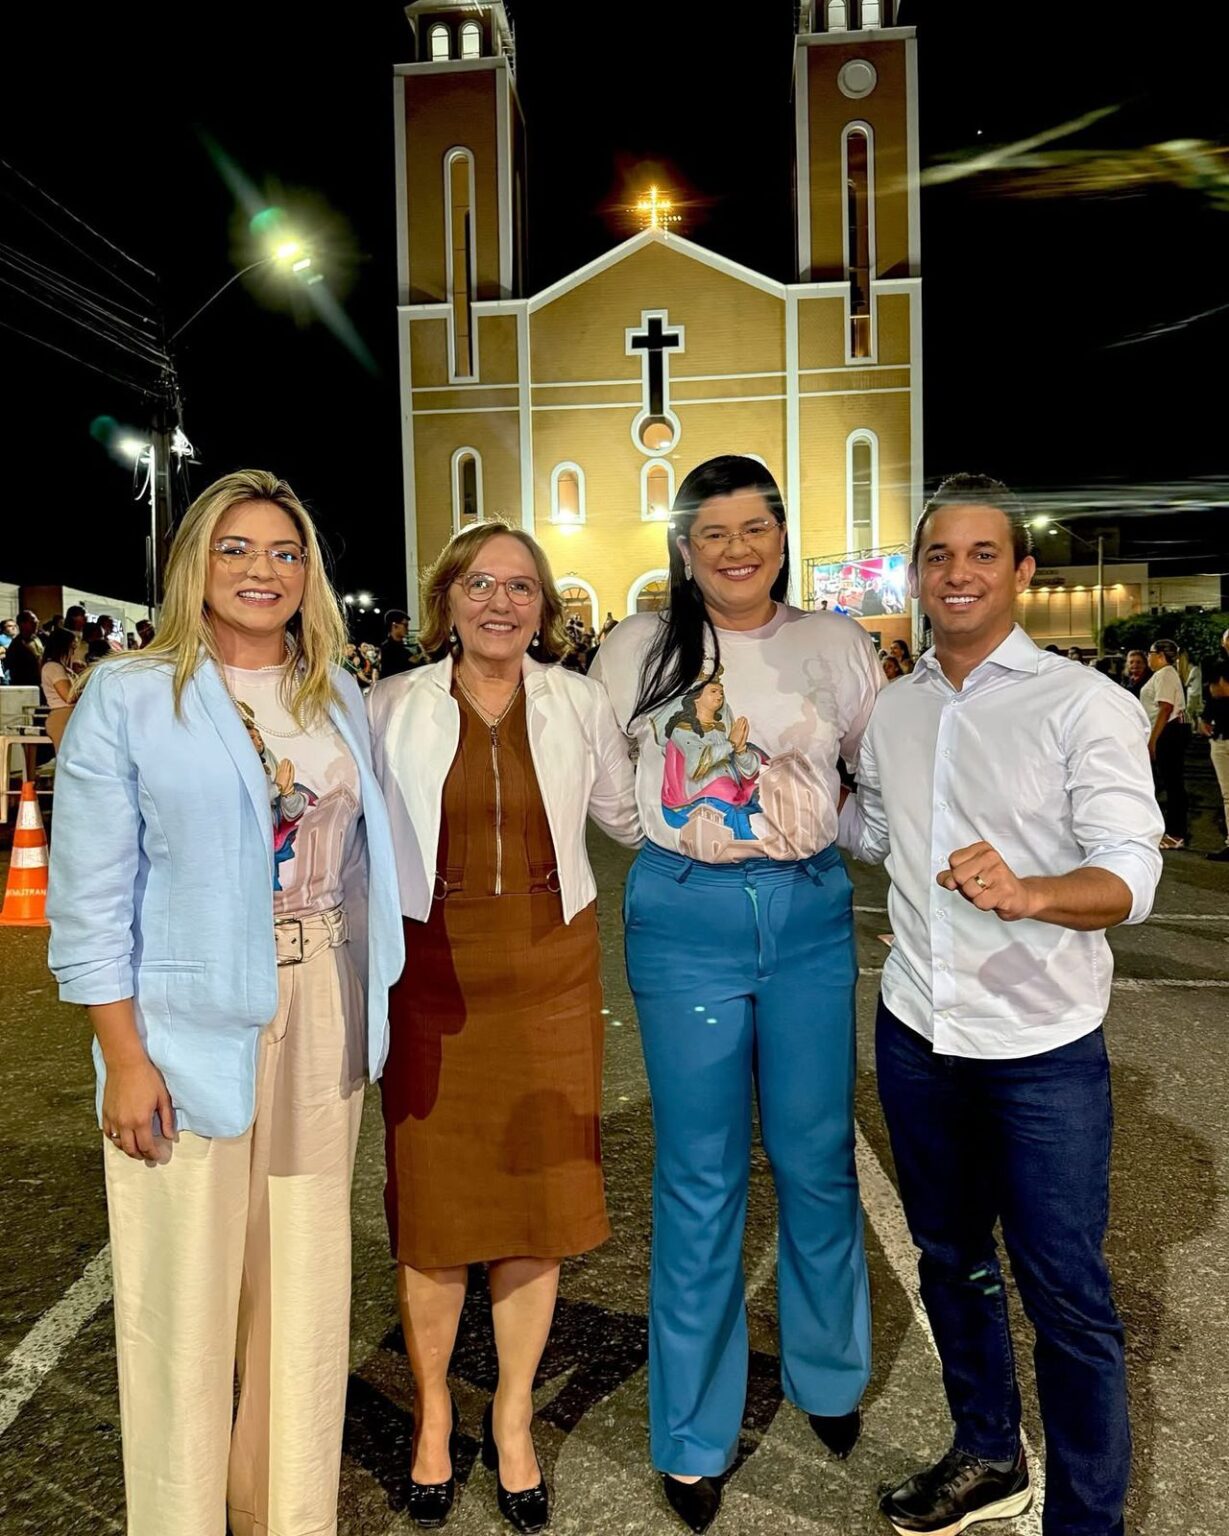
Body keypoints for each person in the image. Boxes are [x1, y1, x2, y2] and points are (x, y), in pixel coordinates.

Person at [45, 469, 405, 1536]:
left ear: (311, 576)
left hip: (324, 1000)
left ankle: (289, 1512)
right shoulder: (131, 693)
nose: (262, 571)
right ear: (195, 563)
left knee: (303, 1283)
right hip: (183, 1022)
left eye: (284, 553)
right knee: (181, 1298)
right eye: (238, 550)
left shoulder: (331, 691)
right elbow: (91, 898)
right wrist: (125, 1057)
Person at [839, 473, 1162, 1536]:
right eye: (939, 556)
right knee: (950, 1260)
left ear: (1019, 572)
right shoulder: (895, 705)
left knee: (1065, 1295)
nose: (958, 573)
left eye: (981, 554)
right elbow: (876, 835)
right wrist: (771, 783)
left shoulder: (1083, 705)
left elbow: (1128, 872)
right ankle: (986, 1455)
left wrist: (1030, 892)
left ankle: (1085, 1519)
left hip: (1038, 1049)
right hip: (918, 1030)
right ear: (917, 575)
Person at [590, 455, 880, 1534]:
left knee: (814, 1155)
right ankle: (692, 1433)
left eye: (753, 527)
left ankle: (827, 1376)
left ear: (779, 533)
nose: (735, 549)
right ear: (682, 545)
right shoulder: (633, 650)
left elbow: (865, 780)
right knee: (699, 1175)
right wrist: (688, 849)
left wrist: (826, 846)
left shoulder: (834, 644)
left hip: (806, 916)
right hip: (685, 923)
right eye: (711, 532)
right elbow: (613, 795)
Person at [367, 520, 640, 1534]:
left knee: (537, 1203)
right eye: (478, 583)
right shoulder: (388, 703)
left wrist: (735, 760)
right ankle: (435, 1411)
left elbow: (630, 815)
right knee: (435, 1209)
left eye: (519, 587)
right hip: (427, 967)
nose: (498, 601)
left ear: (543, 606)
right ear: (447, 598)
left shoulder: (578, 701)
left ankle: (514, 1415)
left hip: (548, 968)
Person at [1141, 638, 1188, 849]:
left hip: (1168, 731)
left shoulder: (1165, 674)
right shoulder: (1164, 674)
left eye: (1150, 653)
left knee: (1172, 784)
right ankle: (1171, 830)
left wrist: (1153, 740)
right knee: (1170, 783)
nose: (1147, 657)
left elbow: (1165, 708)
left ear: (1159, 655)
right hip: (1168, 731)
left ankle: (1176, 833)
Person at [1202, 658, 1229, 862]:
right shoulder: (1219, 666)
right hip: (1220, 739)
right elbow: (1214, 695)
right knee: (1228, 795)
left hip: (1221, 740)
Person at [39, 627, 77, 749]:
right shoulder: (53, 667)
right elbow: (68, 696)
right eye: (72, 648)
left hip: (72, 716)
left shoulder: (65, 669)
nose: (73, 652)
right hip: (63, 717)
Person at [5, 609, 44, 687]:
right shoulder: (17, 645)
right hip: (26, 686)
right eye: (32, 620)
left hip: (40, 684)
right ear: (22, 624)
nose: (37, 622)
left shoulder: (37, 638)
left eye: (36, 619)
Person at [379, 608, 413, 678]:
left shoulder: (399, 647)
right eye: (405, 625)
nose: (408, 629)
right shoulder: (388, 648)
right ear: (394, 625)